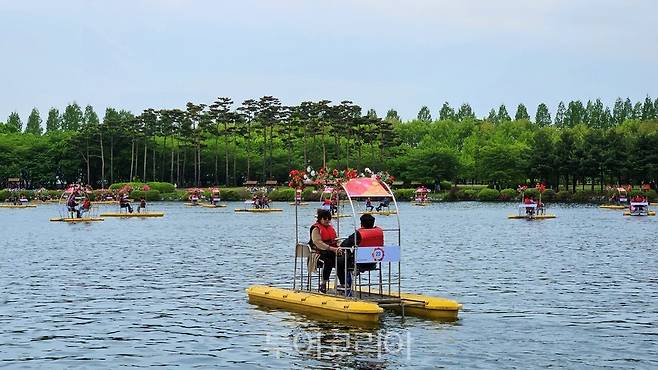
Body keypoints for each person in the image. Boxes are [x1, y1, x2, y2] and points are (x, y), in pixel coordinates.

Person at [336, 214, 380, 292]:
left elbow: (345, 244)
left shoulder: (360, 234)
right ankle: (349, 280)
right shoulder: (378, 233)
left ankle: (344, 284)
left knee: (339, 260)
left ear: (361, 224)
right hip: (374, 261)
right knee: (349, 258)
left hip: (359, 262)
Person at [309, 209, 341, 293]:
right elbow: (318, 242)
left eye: (329, 219)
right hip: (318, 252)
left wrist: (339, 247)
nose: (327, 220)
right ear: (320, 219)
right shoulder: (316, 229)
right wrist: (331, 248)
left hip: (332, 251)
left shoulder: (331, 228)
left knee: (342, 260)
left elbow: (336, 240)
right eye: (325, 218)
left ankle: (344, 283)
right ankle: (323, 283)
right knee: (329, 260)